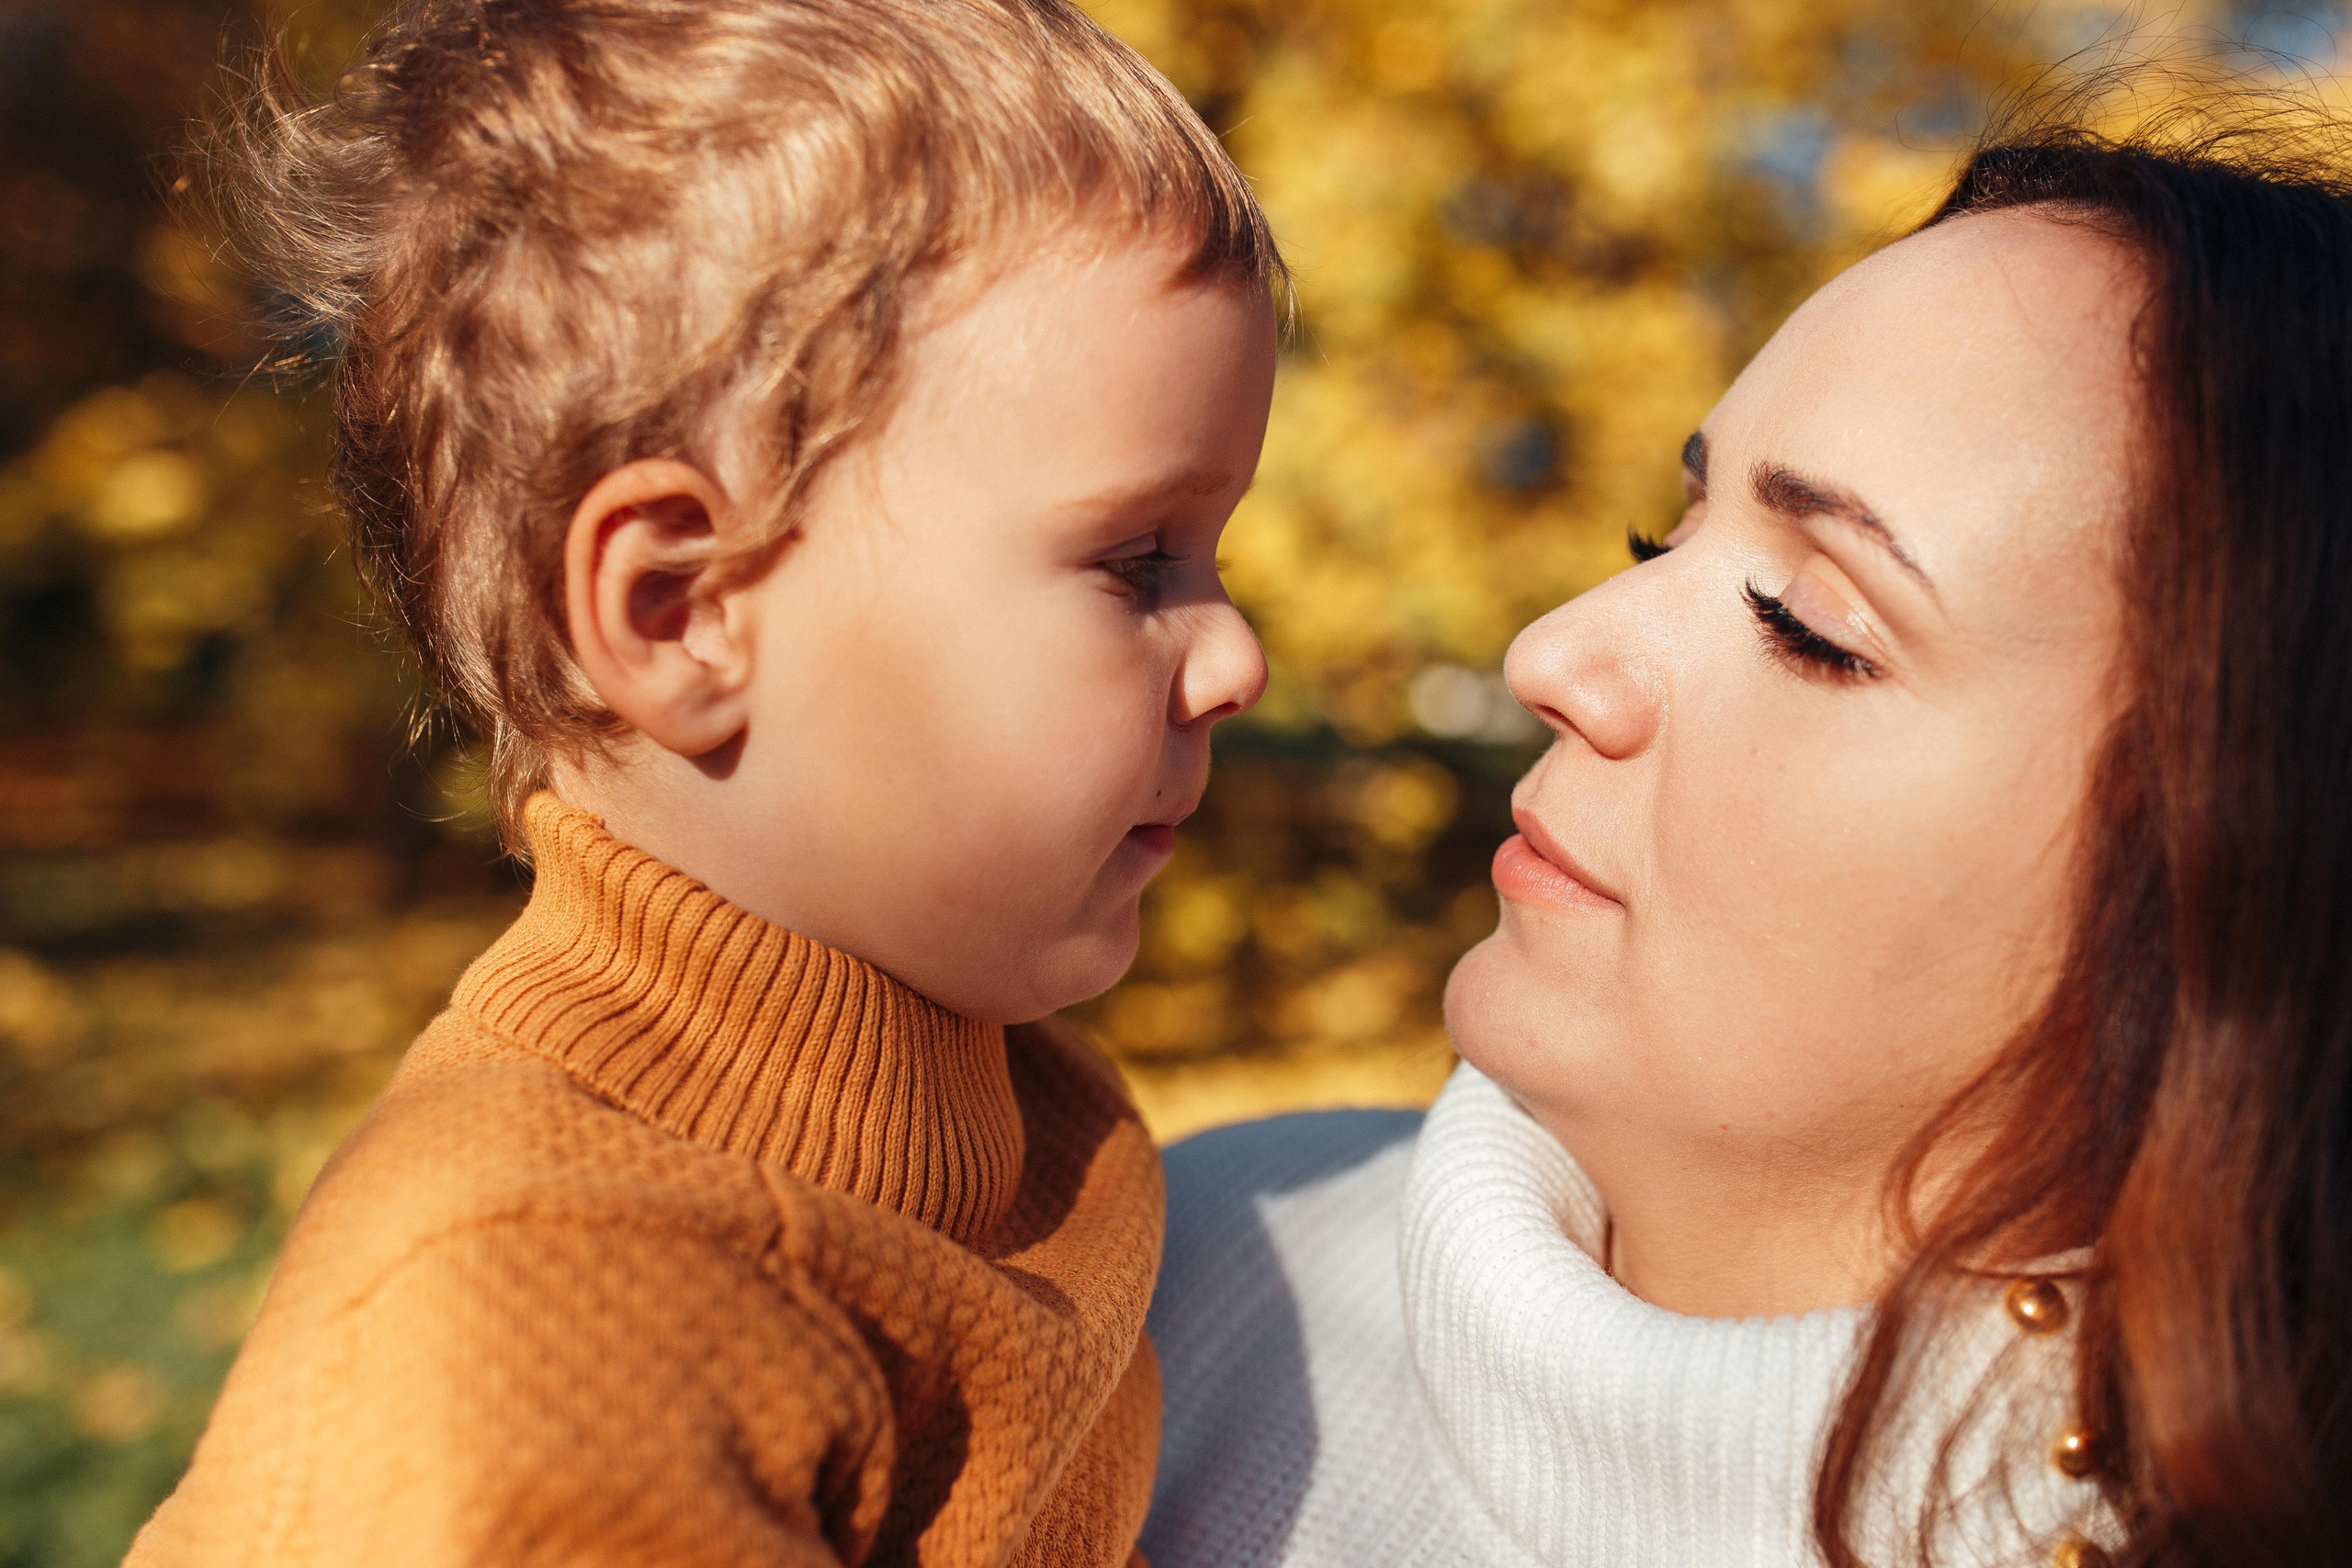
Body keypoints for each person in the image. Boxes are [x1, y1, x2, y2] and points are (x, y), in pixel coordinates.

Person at [129, 2, 1280, 1563]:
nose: (1235, 659)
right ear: (682, 613)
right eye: (1134, 559)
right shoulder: (554, 1300)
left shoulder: (1028, 1117)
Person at [1145, 110, 2352, 1568]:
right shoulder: (1149, 1287)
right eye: (1670, 533)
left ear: (2243, 879)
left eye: (1811, 626)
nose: (1555, 650)